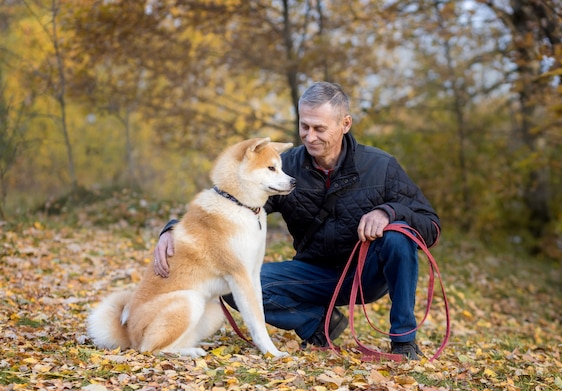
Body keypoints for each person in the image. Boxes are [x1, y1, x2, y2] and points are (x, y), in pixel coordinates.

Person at [154, 81, 441, 360]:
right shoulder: (285, 166)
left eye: (320, 128)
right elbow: (229, 203)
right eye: (305, 126)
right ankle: (317, 324)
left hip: (369, 275)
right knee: (231, 283)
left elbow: (430, 225)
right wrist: (173, 230)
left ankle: (404, 343)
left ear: (345, 124)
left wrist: (388, 212)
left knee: (400, 235)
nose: (310, 136)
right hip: (312, 273)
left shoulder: (381, 166)